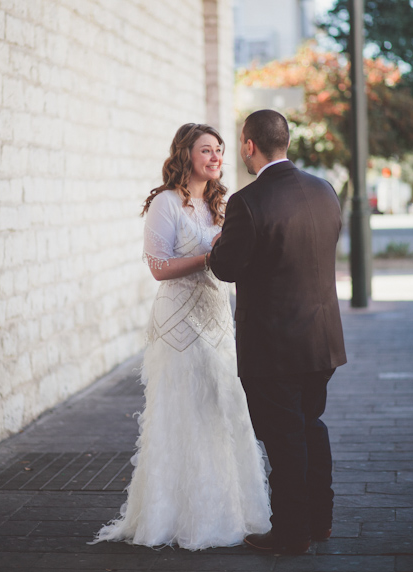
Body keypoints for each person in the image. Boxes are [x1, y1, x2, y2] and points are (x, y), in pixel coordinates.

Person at [90, 123, 271, 550]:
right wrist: (211, 256)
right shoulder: (166, 204)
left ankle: (229, 509)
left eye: (220, 151)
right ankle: (172, 515)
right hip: (177, 326)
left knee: (220, 408)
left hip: (216, 320)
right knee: (182, 413)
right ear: (185, 154)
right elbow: (158, 266)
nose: (215, 158)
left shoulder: (224, 203)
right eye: (206, 150)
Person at [209, 109, 347, 555]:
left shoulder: (247, 202)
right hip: (321, 340)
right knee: (311, 426)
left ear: (249, 145)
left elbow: (226, 267)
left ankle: (291, 533)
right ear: (285, 141)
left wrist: (214, 249)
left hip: (273, 346)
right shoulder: (323, 189)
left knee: (285, 438)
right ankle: (320, 521)